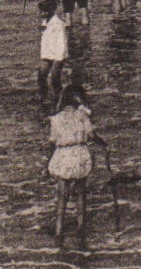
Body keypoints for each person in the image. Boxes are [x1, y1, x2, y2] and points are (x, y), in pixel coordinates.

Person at [46, 85, 107, 245]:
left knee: (62, 196)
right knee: (81, 193)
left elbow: (52, 142)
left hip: (63, 154)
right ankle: (81, 226)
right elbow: (92, 135)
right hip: (80, 154)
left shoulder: (56, 118)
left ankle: (59, 231)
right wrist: (103, 143)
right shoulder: (82, 116)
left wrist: (47, 161)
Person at [37, 0, 68, 102]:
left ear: (50, 11)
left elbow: (62, 42)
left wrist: (59, 59)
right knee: (41, 75)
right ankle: (43, 96)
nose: (40, 14)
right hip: (47, 53)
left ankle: (59, 98)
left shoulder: (58, 24)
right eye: (40, 11)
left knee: (55, 79)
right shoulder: (45, 22)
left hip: (57, 55)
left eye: (43, 12)